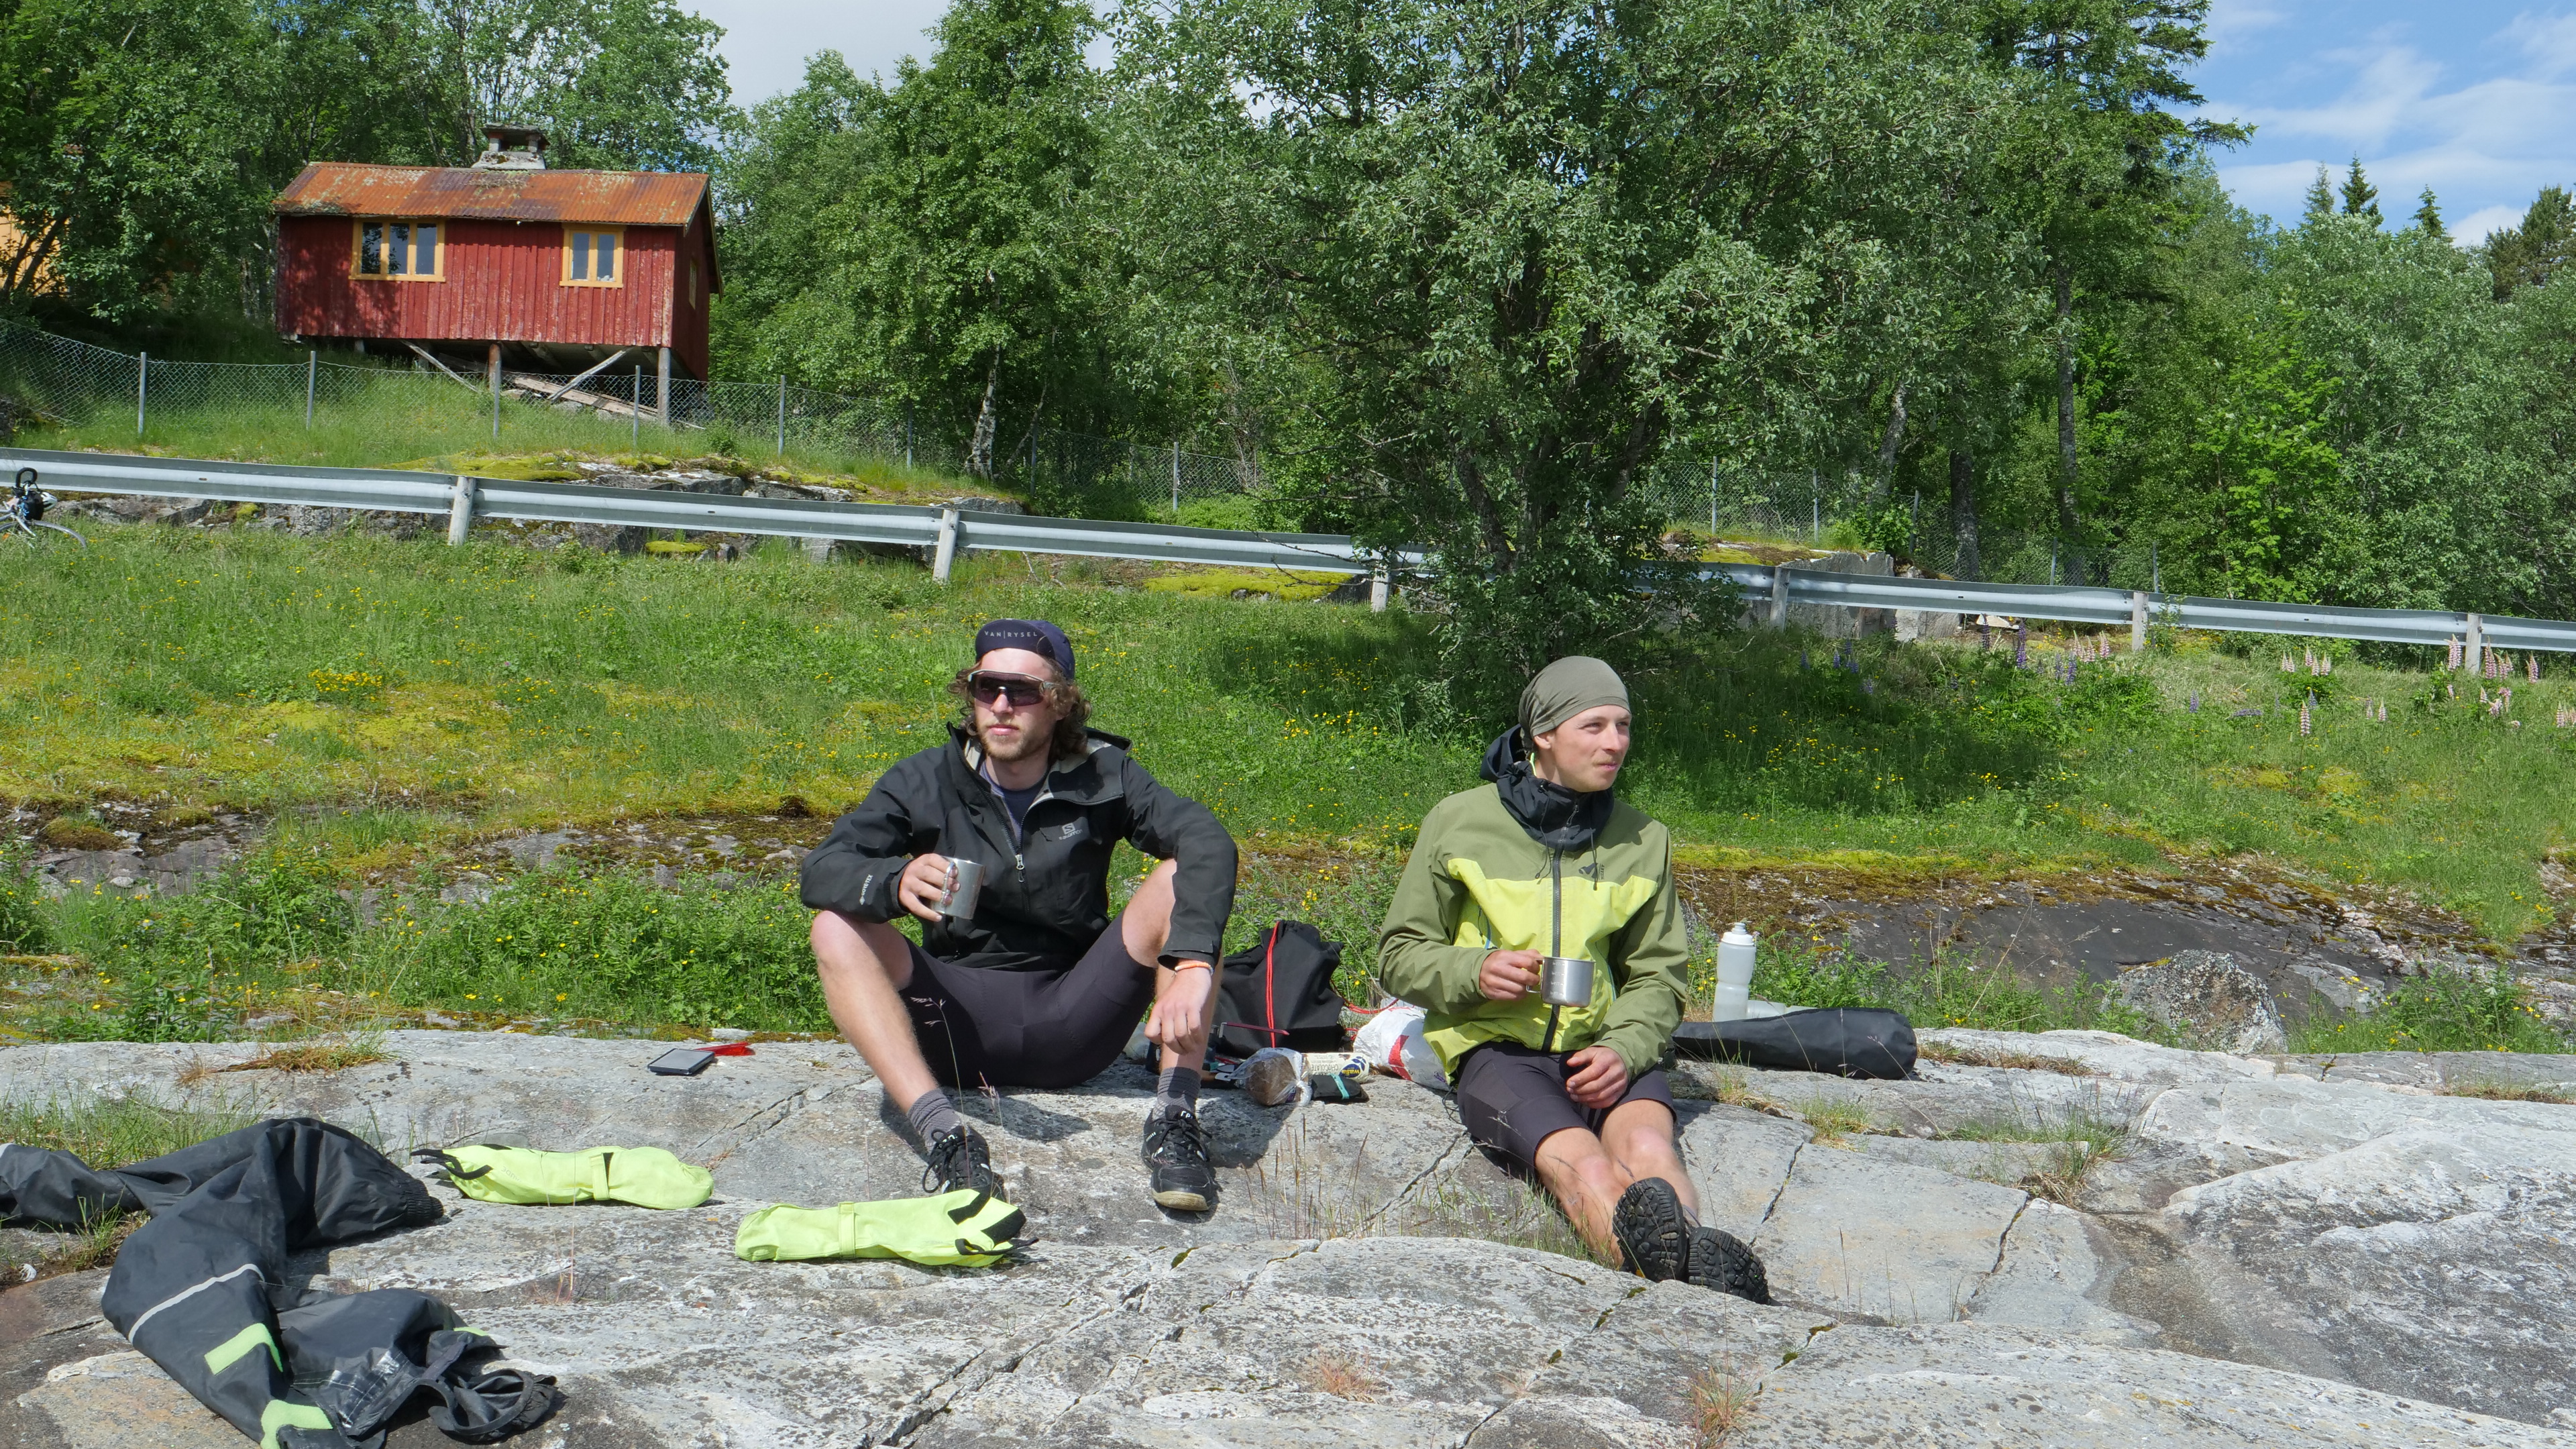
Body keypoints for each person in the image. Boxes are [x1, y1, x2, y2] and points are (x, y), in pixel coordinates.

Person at [800, 618, 1239, 1212]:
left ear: (1061, 705)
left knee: (1179, 875)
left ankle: (1175, 1122)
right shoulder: (926, 778)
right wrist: (894, 879)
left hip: (1075, 1017)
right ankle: (947, 1136)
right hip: (953, 1025)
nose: (1002, 706)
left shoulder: (1103, 775)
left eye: (1024, 691)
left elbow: (1207, 840)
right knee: (834, 925)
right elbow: (823, 869)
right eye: (987, 688)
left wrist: (1191, 966)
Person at [1375, 656, 1768, 1299]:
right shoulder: (1460, 821)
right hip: (1496, 1052)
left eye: (1623, 726)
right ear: (1543, 735)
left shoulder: (1644, 838)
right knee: (1578, 1162)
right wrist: (1475, 971)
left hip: (1605, 1050)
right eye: (1594, 726)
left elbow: (1659, 975)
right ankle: (1688, 1288)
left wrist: (1625, 1048)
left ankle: (1696, 1274)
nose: (1615, 743)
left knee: (1649, 1149)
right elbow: (1399, 953)